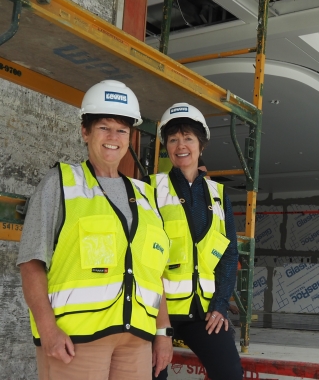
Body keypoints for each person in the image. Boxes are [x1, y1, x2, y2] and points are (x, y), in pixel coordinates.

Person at [17, 80, 173, 380]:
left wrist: (163, 332)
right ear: (85, 131)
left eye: (122, 130)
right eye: (104, 127)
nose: (113, 137)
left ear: (130, 136)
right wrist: (48, 329)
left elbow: (155, 275)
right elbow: (31, 263)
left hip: (136, 341)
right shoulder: (60, 183)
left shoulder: (145, 196)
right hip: (76, 340)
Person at [149, 103, 242, 380]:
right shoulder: (149, 189)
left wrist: (220, 305)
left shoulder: (218, 194)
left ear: (201, 145)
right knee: (152, 374)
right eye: (173, 139)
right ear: (166, 146)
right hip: (157, 311)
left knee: (230, 373)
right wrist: (159, 326)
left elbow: (229, 253)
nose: (181, 145)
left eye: (188, 138)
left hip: (204, 311)